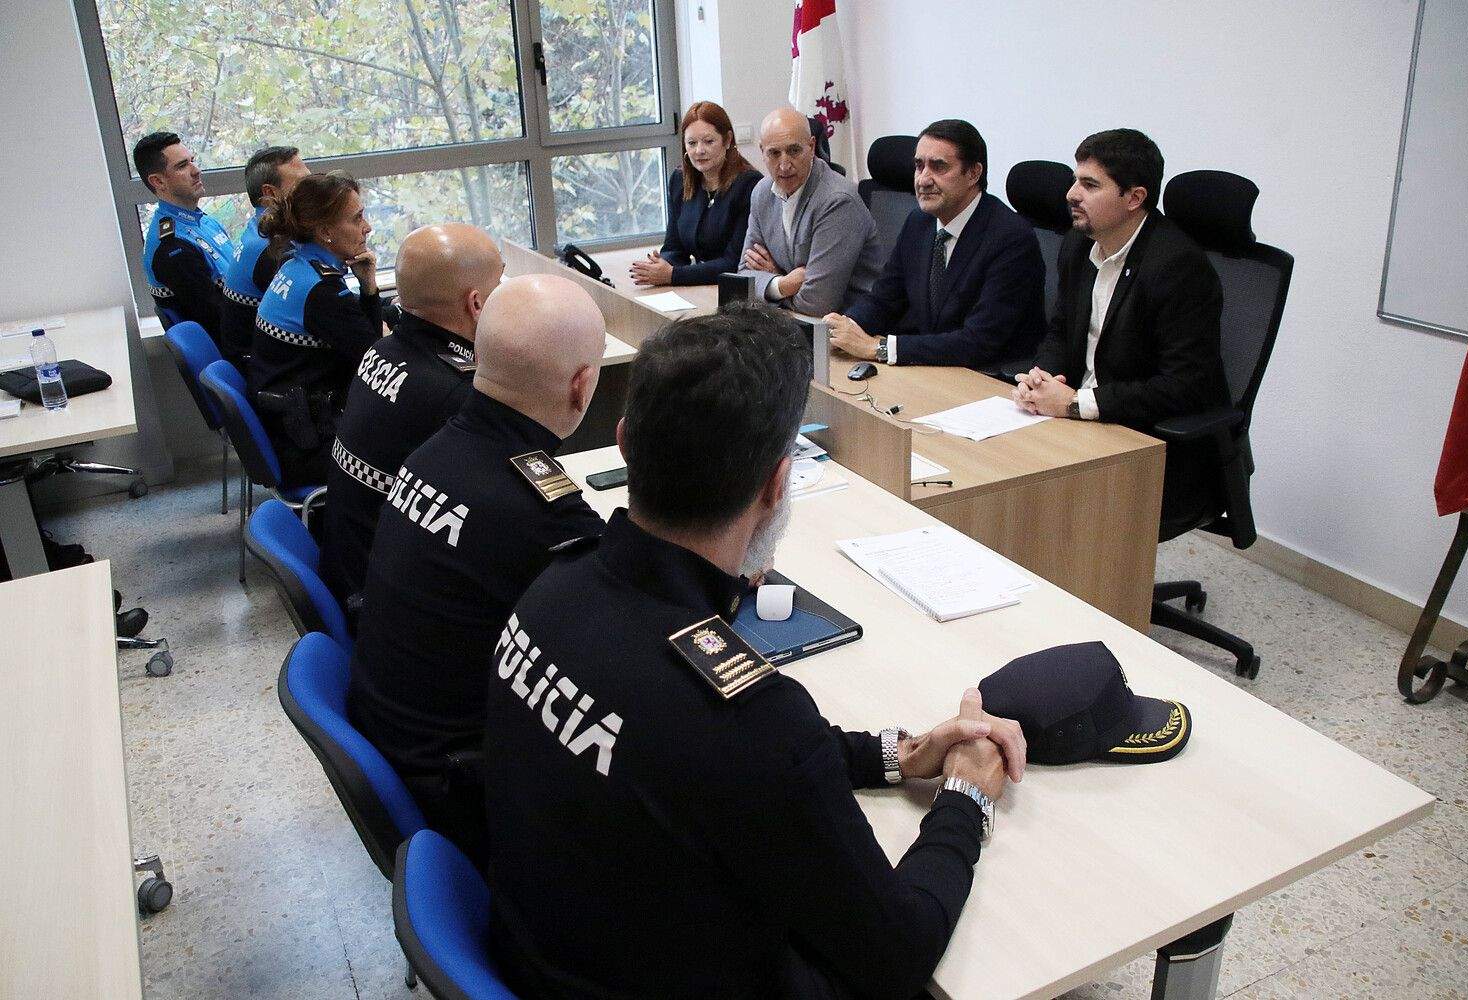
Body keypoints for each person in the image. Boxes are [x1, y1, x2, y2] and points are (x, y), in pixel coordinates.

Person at [482, 307, 1027, 1000]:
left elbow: (723, 766)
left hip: (541, 956)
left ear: (624, 442)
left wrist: (895, 754)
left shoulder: (552, 586)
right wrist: (965, 795)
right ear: (776, 485)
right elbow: (898, 954)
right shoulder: (748, 716)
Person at [348, 274, 607, 866]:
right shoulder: (537, 511)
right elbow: (630, 637)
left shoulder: (435, 451)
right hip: (461, 783)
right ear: (582, 383)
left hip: (399, 738)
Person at [1014, 129, 1228, 538]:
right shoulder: (1079, 245)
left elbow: (1186, 386)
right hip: (1086, 422)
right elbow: (1060, 332)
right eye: (1076, 180)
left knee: (1037, 507)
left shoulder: (1177, 267)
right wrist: (1041, 378)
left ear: (1134, 198)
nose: (1071, 194)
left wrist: (1078, 403)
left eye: (1090, 185)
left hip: (1150, 440)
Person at [319, 224, 505, 609]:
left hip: (350, 565)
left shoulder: (384, 349)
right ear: (476, 304)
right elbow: (496, 523)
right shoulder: (455, 394)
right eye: (499, 284)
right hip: (391, 597)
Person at [824, 119, 1046, 372]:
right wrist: (845, 328)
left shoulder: (1011, 238)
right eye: (919, 166)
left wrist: (881, 348)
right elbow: (885, 299)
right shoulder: (919, 222)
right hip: (933, 367)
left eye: (938, 167)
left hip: (990, 377)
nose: (923, 179)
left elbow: (979, 341)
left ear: (973, 173)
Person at [251, 172, 383, 488]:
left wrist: (366, 288)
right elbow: (377, 360)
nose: (367, 227)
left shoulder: (296, 264)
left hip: (289, 424)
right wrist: (370, 288)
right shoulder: (322, 292)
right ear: (324, 231)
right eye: (357, 218)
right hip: (309, 445)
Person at [736, 108, 882, 316]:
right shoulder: (762, 192)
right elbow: (742, 280)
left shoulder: (837, 200)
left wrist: (769, 286)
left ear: (811, 146)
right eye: (774, 153)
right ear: (762, 152)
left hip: (846, 328)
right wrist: (783, 284)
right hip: (793, 322)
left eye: (794, 150)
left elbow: (817, 304)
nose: (784, 165)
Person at [628, 100, 761, 287]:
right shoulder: (680, 180)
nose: (699, 150)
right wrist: (661, 265)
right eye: (691, 143)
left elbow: (735, 262)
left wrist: (673, 275)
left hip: (733, 289)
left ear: (728, 140)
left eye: (708, 141)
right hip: (695, 286)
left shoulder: (750, 184)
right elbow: (674, 247)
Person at [133, 131, 234, 341]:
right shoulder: (173, 249)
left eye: (193, 161)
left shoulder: (202, 220)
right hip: (240, 350)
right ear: (158, 182)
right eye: (182, 166)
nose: (196, 170)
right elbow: (220, 321)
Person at [218, 146, 309, 371]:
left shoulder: (259, 231)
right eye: (301, 185)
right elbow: (326, 310)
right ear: (270, 193)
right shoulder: (272, 251)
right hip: (272, 373)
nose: (311, 192)